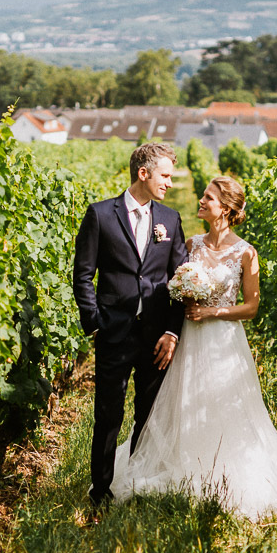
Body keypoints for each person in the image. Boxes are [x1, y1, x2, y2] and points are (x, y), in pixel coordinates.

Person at [109, 175, 277, 521]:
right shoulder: (193, 244)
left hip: (223, 340)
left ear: (226, 209)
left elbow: (252, 307)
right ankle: (184, 465)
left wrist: (212, 310)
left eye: (208, 198)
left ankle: (221, 474)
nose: (201, 201)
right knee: (185, 401)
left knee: (222, 404)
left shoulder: (246, 252)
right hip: (189, 336)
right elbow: (173, 281)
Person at [73, 142, 188, 509]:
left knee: (148, 414)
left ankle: (136, 483)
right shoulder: (100, 215)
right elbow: (83, 274)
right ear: (144, 173)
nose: (169, 183)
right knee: (108, 414)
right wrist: (94, 322)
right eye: (165, 175)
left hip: (155, 335)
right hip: (114, 330)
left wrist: (172, 331)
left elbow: (180, 282)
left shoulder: (170, 220)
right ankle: (101, 490)